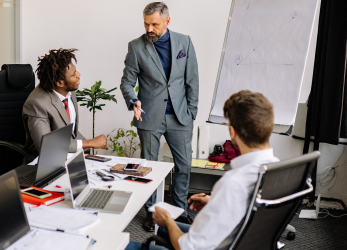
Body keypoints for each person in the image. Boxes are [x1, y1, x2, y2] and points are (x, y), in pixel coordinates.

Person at [126, 90, 279, 250]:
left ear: (232, 131)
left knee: (124, 244)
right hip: (243, 240)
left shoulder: (233, 182)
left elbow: (186, 248)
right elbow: (250, 210)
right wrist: (217, 203)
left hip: (218, 244)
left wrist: (168, 221)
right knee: (164, 230)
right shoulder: (279, 170)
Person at [120, 2, 199, 231]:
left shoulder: (185, 42)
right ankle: (153, 213)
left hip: (180, 116)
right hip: (149, 115)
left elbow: (191, 80)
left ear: (167, 21)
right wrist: (133, 100)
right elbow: (127, 82)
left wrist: (192, 112)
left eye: (154, 24)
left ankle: (180, 211)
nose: (149, 29)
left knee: (183, 166)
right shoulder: (136, 47)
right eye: (146, 24)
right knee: (151, 168)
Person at [23, 48, 107, 153]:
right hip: (45, 161)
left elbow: (71, 132)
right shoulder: (37, 103)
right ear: (60, 83)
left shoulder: (69, 91)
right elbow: (45, 146)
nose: (79, 74)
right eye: (73, 74)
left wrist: (88, 148)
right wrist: (89, 143)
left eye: (76, 71)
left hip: (68, 156)